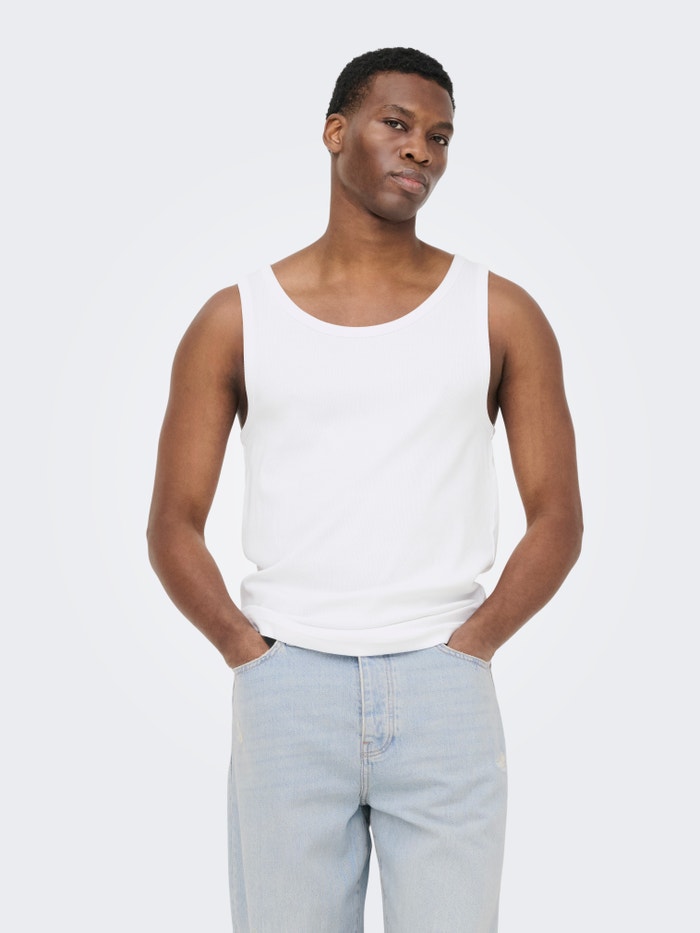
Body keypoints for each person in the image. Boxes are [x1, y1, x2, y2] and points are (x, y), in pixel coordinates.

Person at [147, 46, 583, 933]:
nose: (421, 148)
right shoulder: (236, 318)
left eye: (441, 136)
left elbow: (559, 518)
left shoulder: (500, 312)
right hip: (287, 685)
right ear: (336, 132)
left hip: (443, 684)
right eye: (398, 123)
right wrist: (247, 651)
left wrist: (470, 647)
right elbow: (172, 524)